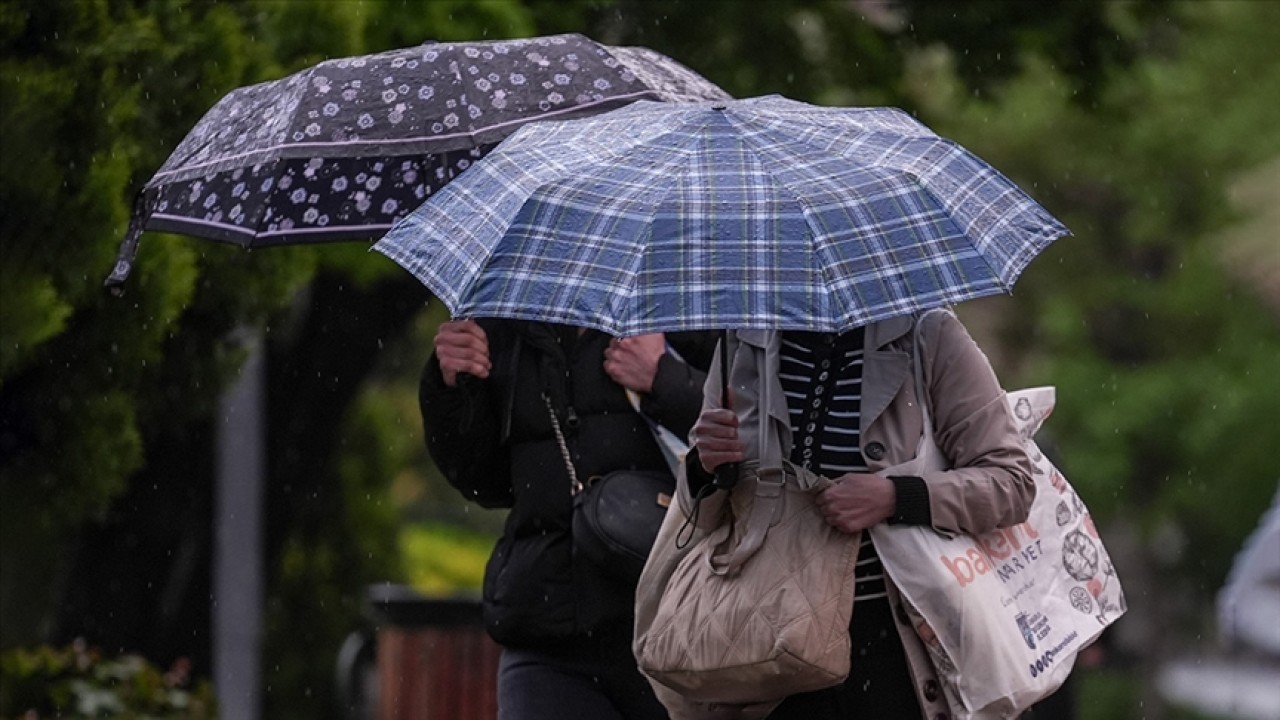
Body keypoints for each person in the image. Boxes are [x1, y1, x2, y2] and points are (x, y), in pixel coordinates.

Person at [675, 309, 1035, 719]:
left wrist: (897, 497)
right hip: (768, 641)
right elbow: (700, 513)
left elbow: (1011, 483)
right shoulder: (742, 341)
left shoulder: (929, 334)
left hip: (890, 641)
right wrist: (704, 466)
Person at [420, 318, 715, 720]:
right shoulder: (506, 323)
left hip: (677, 631)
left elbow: (755, 447)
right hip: (547, 632)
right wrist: (452, 385)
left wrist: (664, 378)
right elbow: (484, 482)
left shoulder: (688, 301)